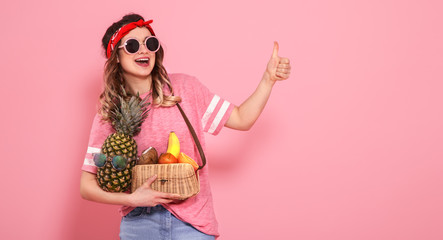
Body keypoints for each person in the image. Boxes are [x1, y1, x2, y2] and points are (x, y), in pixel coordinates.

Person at [80, 13, 291, 239]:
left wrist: (268, 79)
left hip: (192, 224)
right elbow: (87, 186)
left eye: (150, 43)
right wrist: (132, 199)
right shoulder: (110, 113)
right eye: (132, 45)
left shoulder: (185, 88)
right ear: (117, 57)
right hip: (139, 224)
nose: (144, 50)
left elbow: (241, 118)